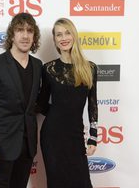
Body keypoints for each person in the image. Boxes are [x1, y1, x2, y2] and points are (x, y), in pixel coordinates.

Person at [0, 12, 42, 188]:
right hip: (0, 146)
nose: (25, 35)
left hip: (27, 146)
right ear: (12, 34)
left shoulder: (37, 65)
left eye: (29, 31)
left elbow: (35, 104)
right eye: (20, 30)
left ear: (34, 36)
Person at [36, 18, 98, 188]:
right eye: (59, 34)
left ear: (74, 35)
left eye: (67, 32)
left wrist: (93, 136)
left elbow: (93, 104)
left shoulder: (90, 68)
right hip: (52, 136)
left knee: (82, 182)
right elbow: (41, 104)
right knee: (57, 183)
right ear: (55, 39)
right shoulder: (48, 69)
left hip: (76, 135)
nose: (63, 38)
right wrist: (58, 113)